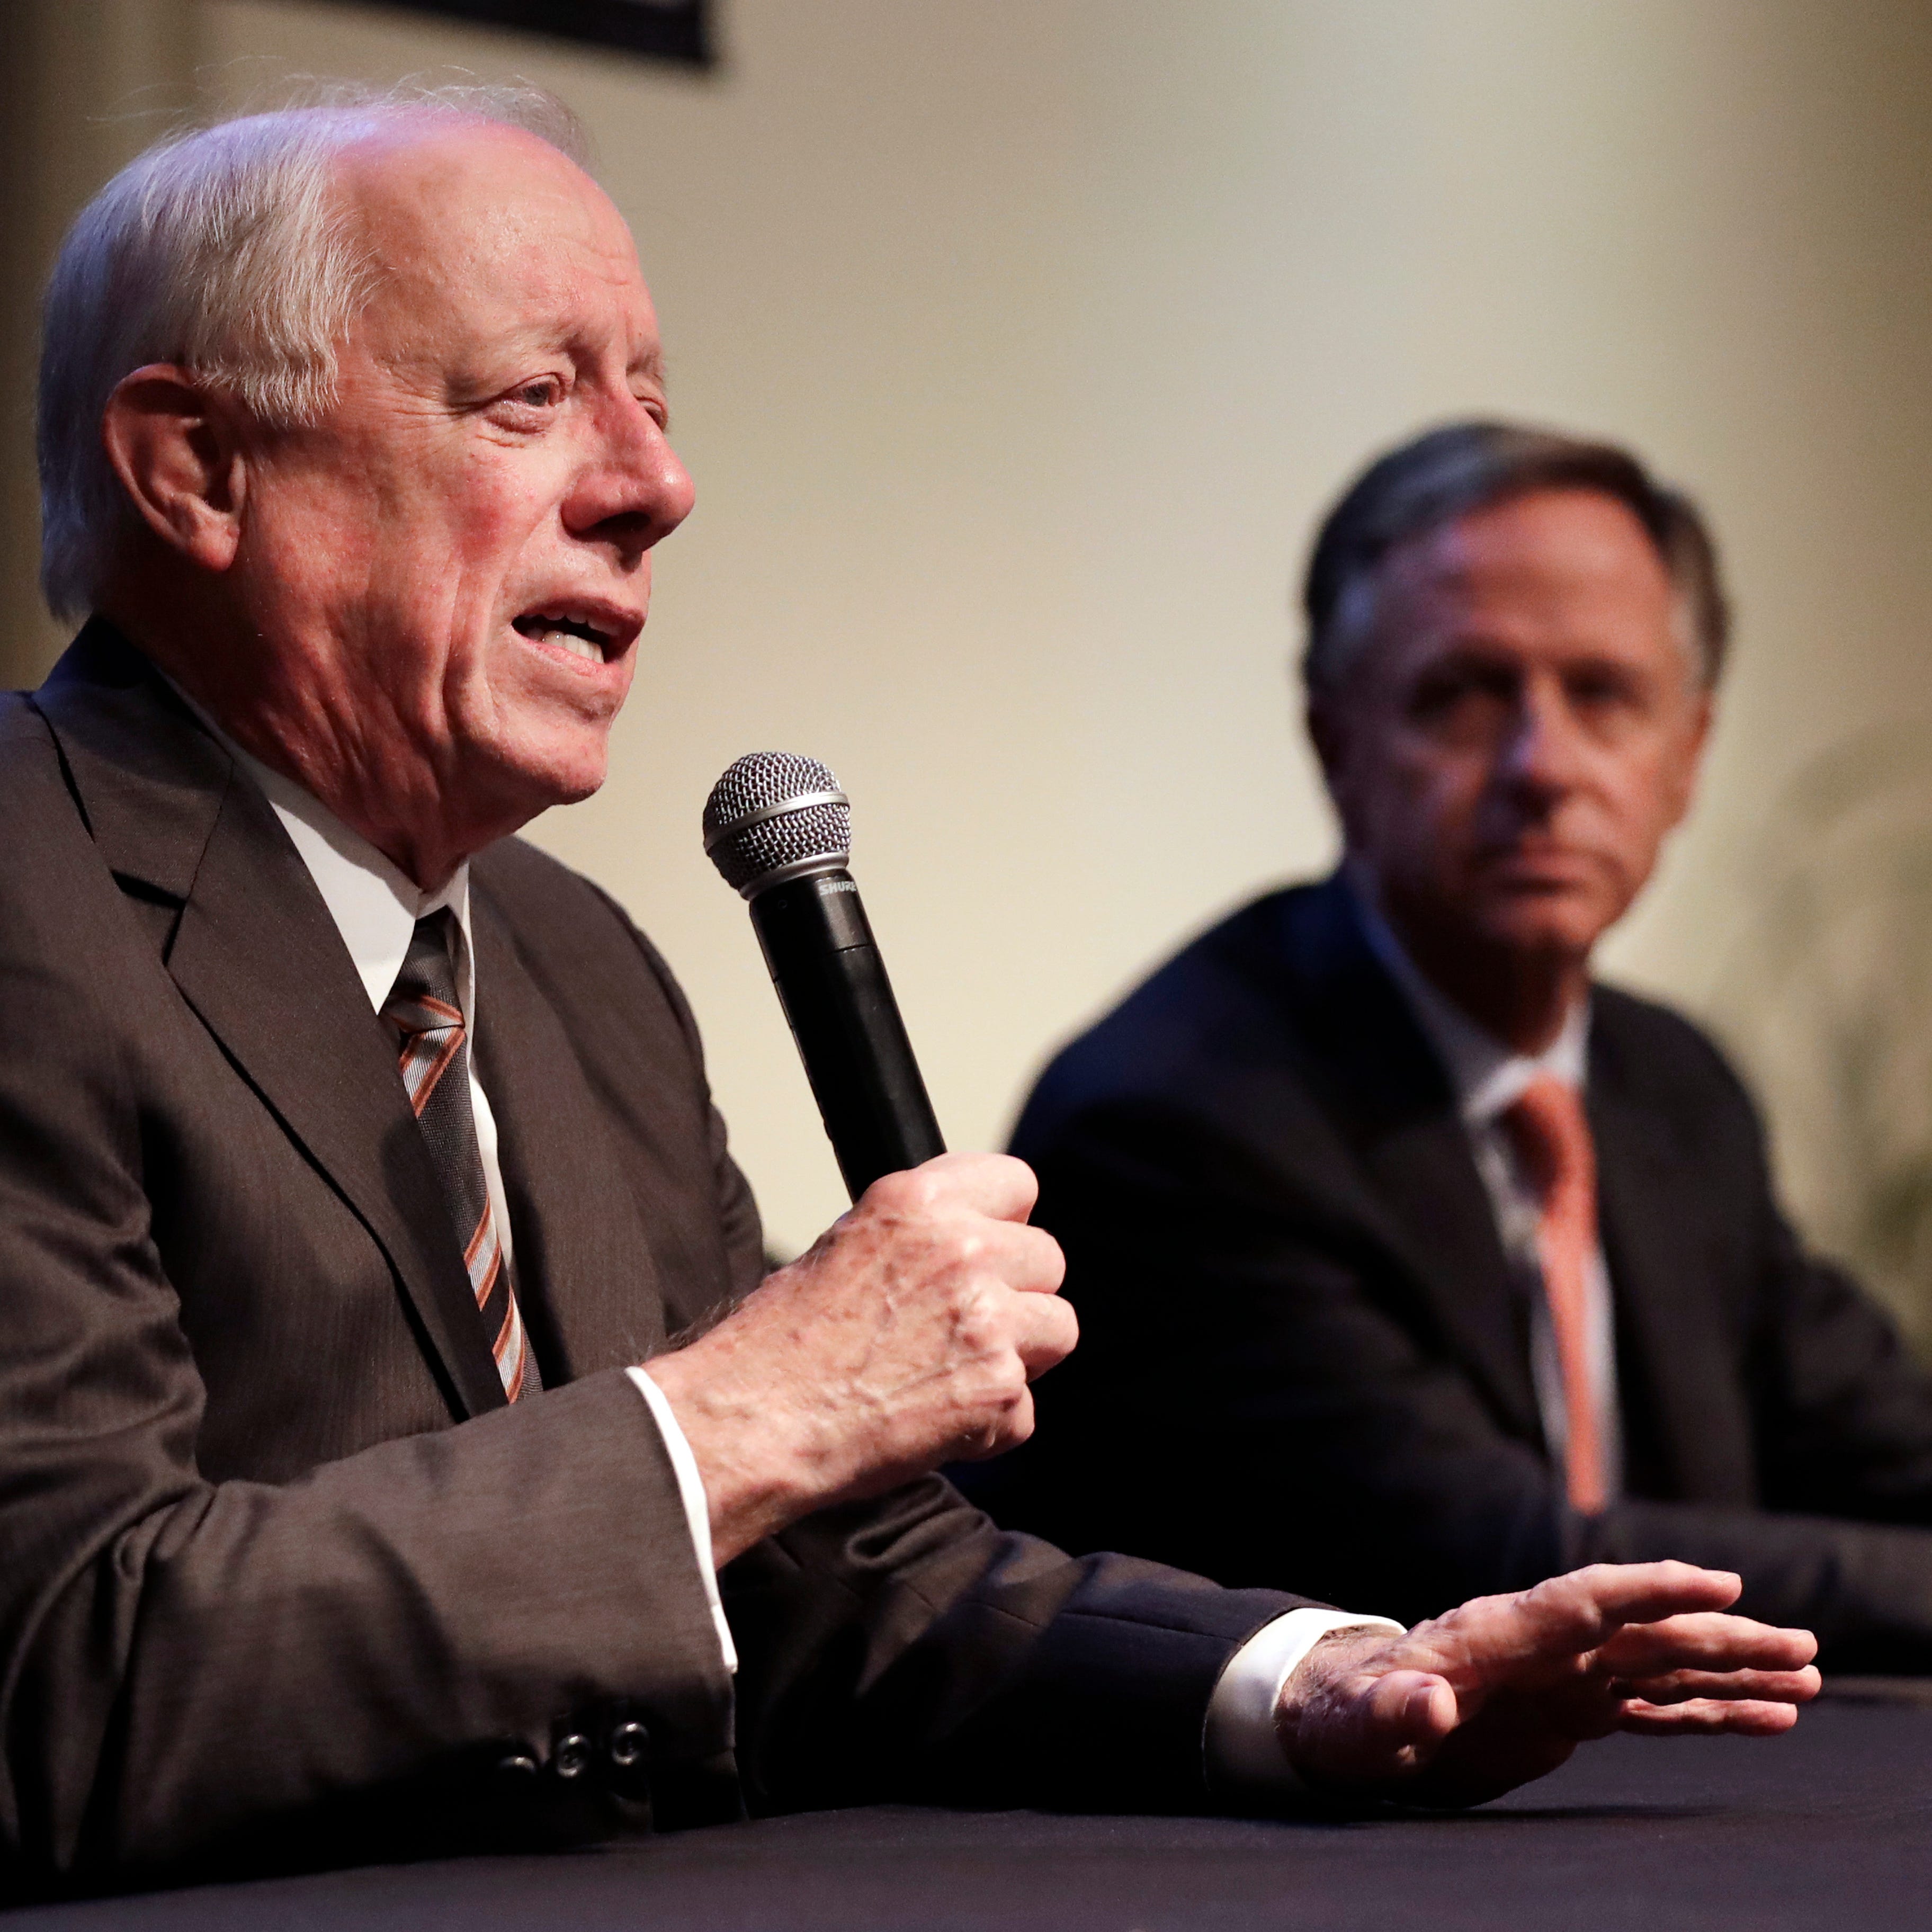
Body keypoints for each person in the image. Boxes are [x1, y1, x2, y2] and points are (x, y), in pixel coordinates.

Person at [0, 104, 1815, 1898]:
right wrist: (737, 1411)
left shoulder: (571, 959)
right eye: (530, 398)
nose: (655, 485)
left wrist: (1326, 1679)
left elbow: (834, 1582)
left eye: (654, 396)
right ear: (199, 469)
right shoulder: (31, 893)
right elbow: (61, 1679)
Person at [989, 419, 1932, 1664]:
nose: (1543, 765)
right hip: (1293, 1836)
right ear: (1337, 743)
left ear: (1687, 756)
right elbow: (1488, 1558)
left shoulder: (1672, 1089)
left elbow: (1872, 1433)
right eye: (1467, 695)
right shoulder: (1177, 1117)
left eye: (1602, 695)